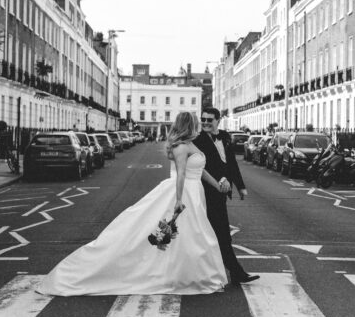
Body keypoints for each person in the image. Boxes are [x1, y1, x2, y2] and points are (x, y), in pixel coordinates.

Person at [36, 112, 228, 295]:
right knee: (185, 234)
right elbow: (181, 175)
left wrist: (217, 185)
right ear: (189, 125)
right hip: (183, 193)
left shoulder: (190, 145)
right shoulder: (181, 147)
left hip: (195, 193)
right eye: (196, 122)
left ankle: (187, 275)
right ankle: (181, 276)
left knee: (191, 236)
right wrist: (178, 200)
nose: (199, 125)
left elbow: (201, 171)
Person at [193, 106, 259, 286]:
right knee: (220, 233)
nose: (205, 123)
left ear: (218, 120)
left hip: (221, 192)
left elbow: (231, 164)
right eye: (203, 119)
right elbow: (203, 168)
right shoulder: (197, 140)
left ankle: (228, 272)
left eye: (209, 120)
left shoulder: (225, 136)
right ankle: (235, 272)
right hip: (207, 192)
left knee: (218, 233)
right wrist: (219, 180)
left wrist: (241, 187)